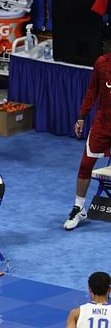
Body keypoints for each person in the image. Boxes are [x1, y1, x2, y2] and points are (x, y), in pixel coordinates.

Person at [63, 51, 111, 230]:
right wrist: (81, 115)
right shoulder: (102, 62)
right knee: (85, 165)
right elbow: (93, 90)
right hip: (103, 124)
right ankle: (79, 208)